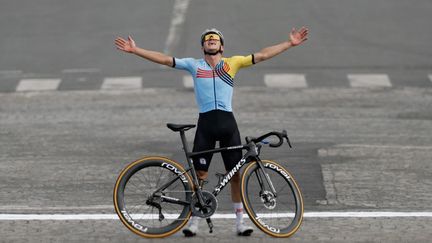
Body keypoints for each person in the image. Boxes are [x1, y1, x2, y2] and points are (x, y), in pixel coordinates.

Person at [114, 27, 308, 237]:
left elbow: (262, 55)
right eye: (207, 39)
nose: (211, 40)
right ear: (203, 47)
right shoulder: (194, 65)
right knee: (200, 176)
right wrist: (136, 50)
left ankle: (240, 223)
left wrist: (289, 43)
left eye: (215, 39)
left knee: (235, 176)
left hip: (228, 125)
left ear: (222, 46)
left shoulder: (232, 63)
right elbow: (164, 59)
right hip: (206, 124)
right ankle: (195, 222)